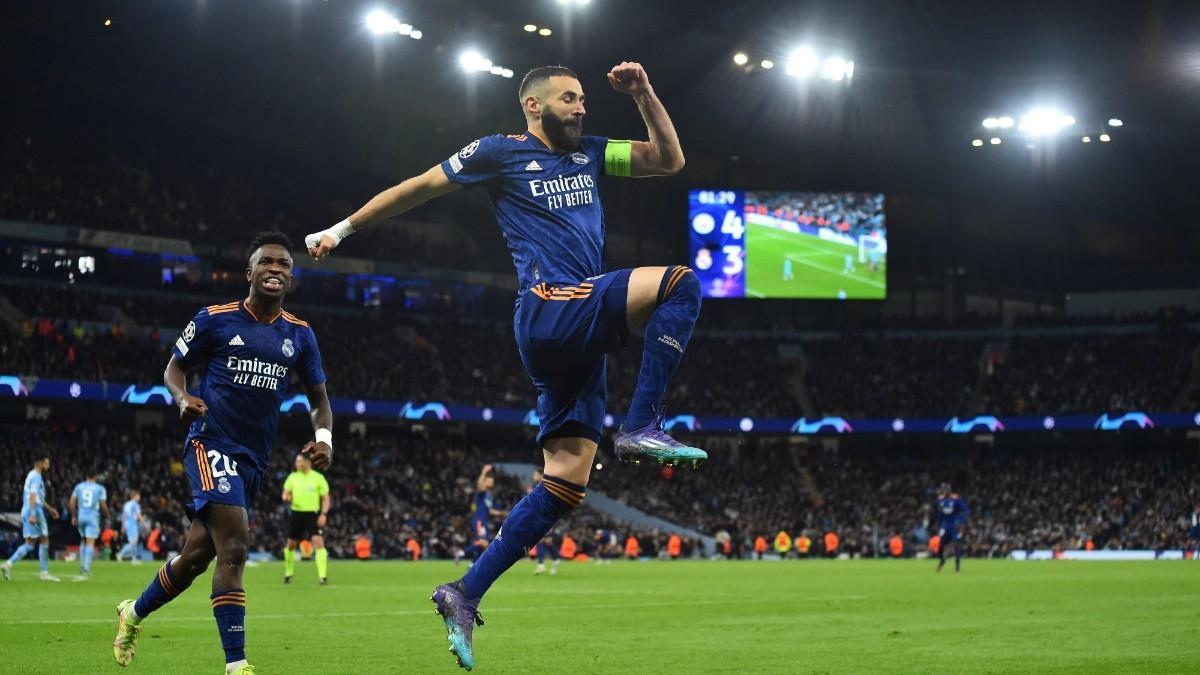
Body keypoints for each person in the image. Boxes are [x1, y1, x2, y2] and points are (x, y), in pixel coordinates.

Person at [306, 61, 705, 671]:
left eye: (582, 100)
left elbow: (668, 160)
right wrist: (342, 229)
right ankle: (641, 423)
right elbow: (418, 187)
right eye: (569, 99)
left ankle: (464, 593)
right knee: (680, 284)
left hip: (578, 334)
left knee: (567, 481)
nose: (581, 108)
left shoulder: (593, 154)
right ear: (532, 105)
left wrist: (646, 92)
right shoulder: (500, 152)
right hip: (550, 305)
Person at [112, 231, 333, 675]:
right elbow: (173, 366)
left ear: (291, 277)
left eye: (285, 264)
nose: (276, 269)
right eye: (267, 262)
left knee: (195, 559)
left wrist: (324, 440)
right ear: (249, 272)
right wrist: (181, 398)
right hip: (209, 443)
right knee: (234, 548)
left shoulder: (301, 335)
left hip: (254, 459)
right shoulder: (214, 319)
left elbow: (319, 400)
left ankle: (132, 612)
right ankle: (237, 665)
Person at [2, 455, 62, 582]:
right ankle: (44, 573)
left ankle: (8, 564)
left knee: (30, 544)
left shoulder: (31, 475)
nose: (48, 466)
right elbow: (33, 496)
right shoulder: (36, 477)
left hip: (27, 509)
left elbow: (37, 497)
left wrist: (50, 509)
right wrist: (34, 514)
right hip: (34, 511)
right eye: (47, 463)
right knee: (45, 540)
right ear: (40, 463)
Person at [282, 452, 331, 585]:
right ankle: (288, 573)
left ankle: (323, 576)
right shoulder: (293, 477)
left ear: (307, 462)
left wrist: (323, 514)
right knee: (291, 545)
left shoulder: (318, 478)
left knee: (319, 543)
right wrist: (286, 497)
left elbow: (325, 498)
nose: (296, 464)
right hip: (297, 513)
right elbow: (285, 494)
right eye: (296, 462)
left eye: (299, 461)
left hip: (312, 515)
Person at [460, 465, 508, 565]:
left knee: (482, 544)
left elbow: (489, 510)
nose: (491, 482)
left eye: (492, 480)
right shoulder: (481, 493)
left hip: (485, 521)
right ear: (485, 481)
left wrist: (500, 513)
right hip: (479, 520)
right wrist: (483, 472)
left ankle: (473, 564)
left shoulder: (489, 496)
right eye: (489, 480)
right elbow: (479, 485)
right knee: (484, 542)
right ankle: (461, 553)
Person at [70, 470, 109, 579]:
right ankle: (86, 568)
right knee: (90, 542)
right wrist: (107, 515)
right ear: (96, 476)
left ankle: (82, 565)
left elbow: (72, 501)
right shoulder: (100, 488)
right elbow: (103, 504)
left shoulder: (79, 487)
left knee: (83, 539)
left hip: (81, 516)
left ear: (86, 475)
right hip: (92, 517)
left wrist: (73, 516)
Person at [935, 482, 970, 573]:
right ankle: (942, 560)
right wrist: (939, 525)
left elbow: (966, 510)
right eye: (943, 489)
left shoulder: (956, 499)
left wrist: (961, 522)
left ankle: (957, 568)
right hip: (945, 526)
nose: (944, 491)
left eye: (945, 489)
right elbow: (939, 514)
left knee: (957, 545)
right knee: (940, 545)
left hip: (955, 526)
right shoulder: (940, 500)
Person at [116, 491, 144, 564]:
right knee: (133, 542)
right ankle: (120, 554)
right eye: (138, 496)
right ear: (134, 496)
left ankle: (134, 559)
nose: (139, 497)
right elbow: (138, 514)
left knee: (133, 542)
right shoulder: (135, 504)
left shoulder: (126, 504)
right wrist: (142, 521)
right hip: (132, 523)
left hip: (127, 524)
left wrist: (122, 526)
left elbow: (123, 515)